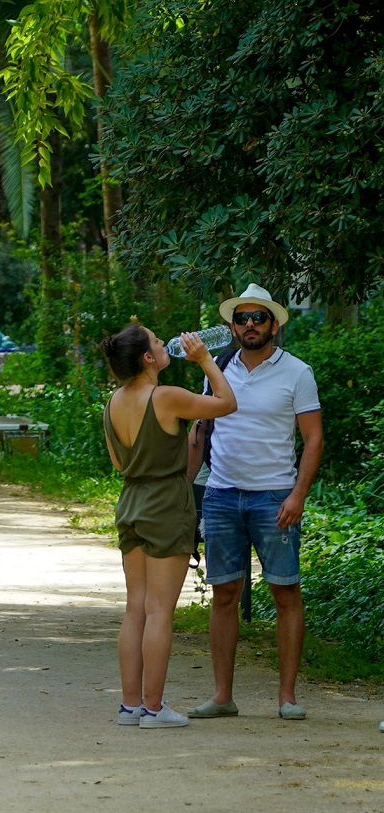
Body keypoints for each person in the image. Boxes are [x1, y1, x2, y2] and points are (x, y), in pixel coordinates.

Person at [188, 283, 323, 722]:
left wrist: (297, 494)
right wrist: (186, 496)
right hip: (222, 495)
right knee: (224, 593)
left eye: (258, 318)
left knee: (285, 592)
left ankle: (287, 697)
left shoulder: (297, 373)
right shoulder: (217, 367)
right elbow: (198, 434)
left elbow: (313, 437)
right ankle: (222, 696)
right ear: (231, 325)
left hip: (274, 497)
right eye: (242, 318)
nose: (249, 325)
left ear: (274, 324)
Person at [100, 323, 237, 728]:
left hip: (131, 503)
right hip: (166, 504)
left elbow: (119, 463)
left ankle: (130, 707)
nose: (166, 345)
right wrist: (206, 360)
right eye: (159, 343)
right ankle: (154, 708)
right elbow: (227, 403)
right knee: (160, 611)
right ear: (147, 358)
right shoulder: (167, 397)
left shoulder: (113, 402)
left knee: (136, 609)